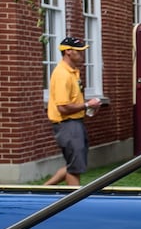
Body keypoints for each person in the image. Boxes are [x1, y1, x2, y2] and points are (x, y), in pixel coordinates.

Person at [43, 36, 103, 186]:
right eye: (79, 51)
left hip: (75, 123)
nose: (82, 55)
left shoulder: (73, 72)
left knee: (74, 163)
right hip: (67, 124)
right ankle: (74, 203)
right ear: (68, 51)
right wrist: (87, 104)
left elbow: (74, 102)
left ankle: (43, 189)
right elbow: (63, 108)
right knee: (75, 167)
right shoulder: (62, 74)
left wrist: (89, 107)